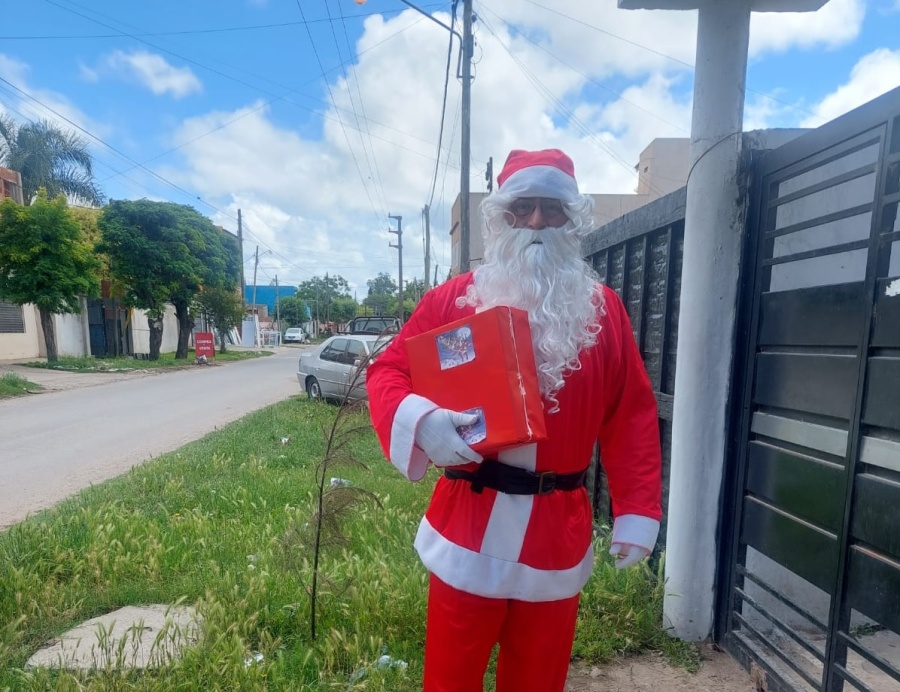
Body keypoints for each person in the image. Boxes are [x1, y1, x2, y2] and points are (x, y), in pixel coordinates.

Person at [365, 148, 662, 692]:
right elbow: (388, 371)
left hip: (555, 536)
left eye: (552, 209)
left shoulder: (605, 311)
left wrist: (637, 510)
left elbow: (632, 414)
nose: (536, 223)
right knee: (450, 681)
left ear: (573, 221)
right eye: (522, 208)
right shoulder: (454, 300)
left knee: (538, 683)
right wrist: (421, 419)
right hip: (467, 529)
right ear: (500, 218)